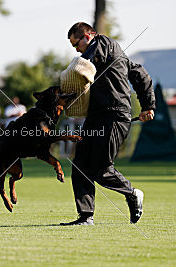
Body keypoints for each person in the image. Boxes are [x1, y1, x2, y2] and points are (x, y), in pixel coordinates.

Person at [61, 22, 155, 225]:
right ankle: (86, 216)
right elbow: (139, 74)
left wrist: (149, 106)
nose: (76, 50)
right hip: (96, 116)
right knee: (80, 165)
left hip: (115, 115)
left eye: (76, 44)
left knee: (100, 167)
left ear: (88, 35)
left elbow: (92, 59)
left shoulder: (103, 43)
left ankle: (132, 193)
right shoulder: (112, 56)